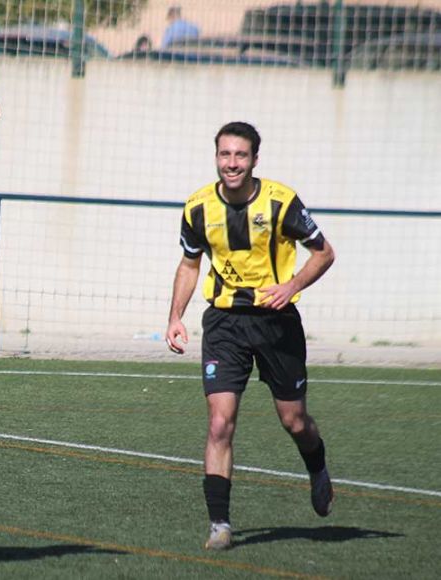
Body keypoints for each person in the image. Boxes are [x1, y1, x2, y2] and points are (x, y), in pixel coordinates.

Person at [164, 122, 336, 551]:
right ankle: (219, 524)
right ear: (216, 157)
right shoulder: (198, 207)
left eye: (240, 155)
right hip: (224, 324)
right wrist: (175, 317)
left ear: (255, 159)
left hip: (276, 323)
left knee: (294, 421)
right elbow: (189, 265)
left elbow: (324, 253)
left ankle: (317, 468)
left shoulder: (281, 202)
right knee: (220, 422)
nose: (232, 163)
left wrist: (291, 286)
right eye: (225, 155)